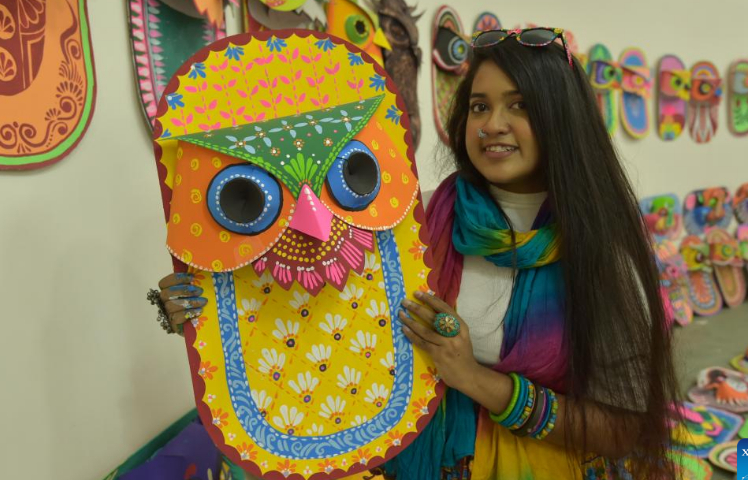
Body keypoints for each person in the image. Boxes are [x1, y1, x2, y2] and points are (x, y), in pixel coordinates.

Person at [155, 27, 679, 480]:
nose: (492, 123)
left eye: (520, 106)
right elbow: (321, 306)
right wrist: (209, 309)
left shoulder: (601, 254)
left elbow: (623, 429)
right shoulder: (411, 220)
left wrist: (475, 381)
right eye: (480, 105)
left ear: (563, 122)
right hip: (413, 458)